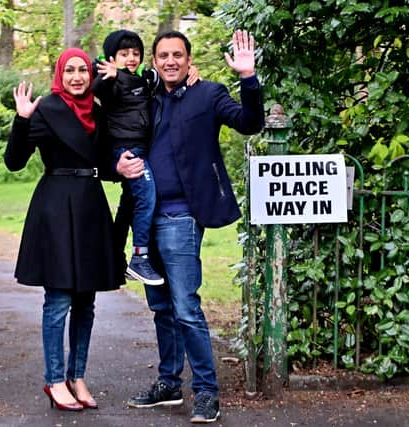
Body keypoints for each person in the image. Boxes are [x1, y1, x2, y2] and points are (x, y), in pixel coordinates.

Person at [116, 30, 264, 423]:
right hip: (144, 220)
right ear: (154, 62)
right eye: (163, 55)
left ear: (188, 59)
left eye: (177, 55)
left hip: (181, 217)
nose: (170, 61)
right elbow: (112, 121)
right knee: (161, 308)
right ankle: (168, 383)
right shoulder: (145, 98)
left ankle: (206, 392)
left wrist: (247, 78)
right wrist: (114, 165)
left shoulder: (208, 94)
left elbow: (250, 122)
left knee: (185, 307)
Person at [4, 48, 121, 412]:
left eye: (83, 70)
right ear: (60, 73)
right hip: (55, 207)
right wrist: (22, 120)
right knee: (59, 301)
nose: (76, 77)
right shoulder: (46, 109)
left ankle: (77, 375)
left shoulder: (98, 112)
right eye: (69, 70)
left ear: (90, 74)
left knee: (87, 299)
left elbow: (105, 164)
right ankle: (55, 379)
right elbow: (14, 161)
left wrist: (124, 166)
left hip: (90, 205)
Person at [92, 29, 201, 286]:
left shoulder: (142, 81)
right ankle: (139, 257)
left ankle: (113, 257)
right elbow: (99, 88)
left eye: (135, 53)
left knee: (130, 203)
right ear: (111, 57)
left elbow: (158, 81)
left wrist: (190, 74)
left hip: (142, 149)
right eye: (123, 54)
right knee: (147, 198)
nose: (131, 58)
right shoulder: (113, 81)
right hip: (128, 151)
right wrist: (110, 74)